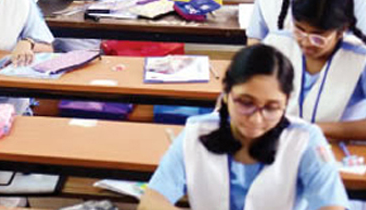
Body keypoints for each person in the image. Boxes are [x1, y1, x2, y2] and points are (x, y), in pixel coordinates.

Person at [137, 44, 349, 210]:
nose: (256, 119)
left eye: (271, 108)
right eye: (246, 103)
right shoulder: (196, 133)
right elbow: (151, 202)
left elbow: (332, 205)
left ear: (286, 102)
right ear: (226, 94)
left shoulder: (305, 139)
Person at [263, 0, 366, 143]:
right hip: (278, 145)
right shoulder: (276, 44)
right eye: (299, 30)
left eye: (318, 37)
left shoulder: (365, 60)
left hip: (338, 149)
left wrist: (314, 129)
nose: (306, 42)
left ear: (342, 30)